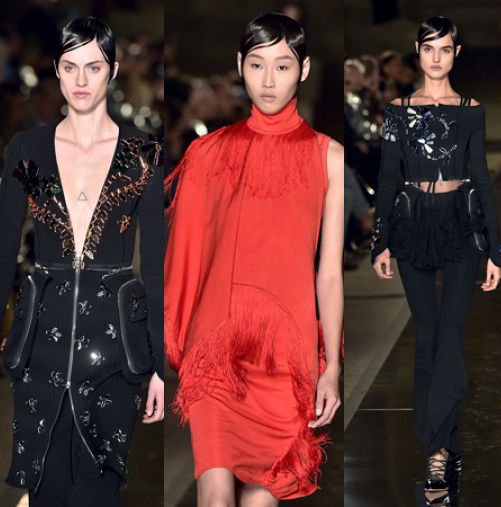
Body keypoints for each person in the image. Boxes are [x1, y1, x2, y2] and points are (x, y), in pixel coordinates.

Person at [0, 16, 164, 507]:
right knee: (46, 489)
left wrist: (161, 365)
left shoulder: (143, 152)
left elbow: (157, 265)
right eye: (70, 67)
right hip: (41, 342)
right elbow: (1, 257)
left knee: (100, 491)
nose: (81, 80)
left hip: (116, 347)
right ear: (56, 70)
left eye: (94, 67)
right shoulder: (28, 149)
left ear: (113, 71)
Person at [165, 13, 343, 506]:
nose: (268, 80)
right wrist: (176, 342)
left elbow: (329, 272)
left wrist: (331, 366)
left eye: (283, 66)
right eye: (257, 65)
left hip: (286, 357)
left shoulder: (328, 156)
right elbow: (185, 258)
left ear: (304, 69)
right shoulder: (208, 153)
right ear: (239, 64)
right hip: (217, 348)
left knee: (262, 499)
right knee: (215, 498)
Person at [371, 16, 501, 494]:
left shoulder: (471, 111)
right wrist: (380, 240)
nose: (436, 57)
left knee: (449, 333)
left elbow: (481, 176)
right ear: (418, 50)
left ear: (456, 53)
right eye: (429, 48)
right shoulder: (397, 111)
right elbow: (387, 175)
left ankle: (438, 452)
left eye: (445, 49)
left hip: (459, 224)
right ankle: (441, 443)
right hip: (412, 223)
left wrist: (495, 248)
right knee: (427, 335)